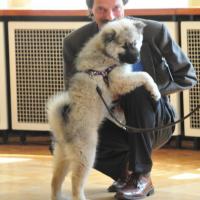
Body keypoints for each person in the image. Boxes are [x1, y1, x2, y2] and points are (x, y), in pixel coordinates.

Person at [62, 0, 197, 199]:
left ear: (124, 5)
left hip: (153, 122)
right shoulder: (74, 41)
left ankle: (142, 176)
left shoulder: (154, 31)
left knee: (137, 88)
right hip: (107, 119)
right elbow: (73, 92)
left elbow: (187, 77)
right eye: (101, 9)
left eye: (116, 7)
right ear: (90, 10)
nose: (110, 16)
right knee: (64, 123)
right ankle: (125, 172)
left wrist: (150, 88)